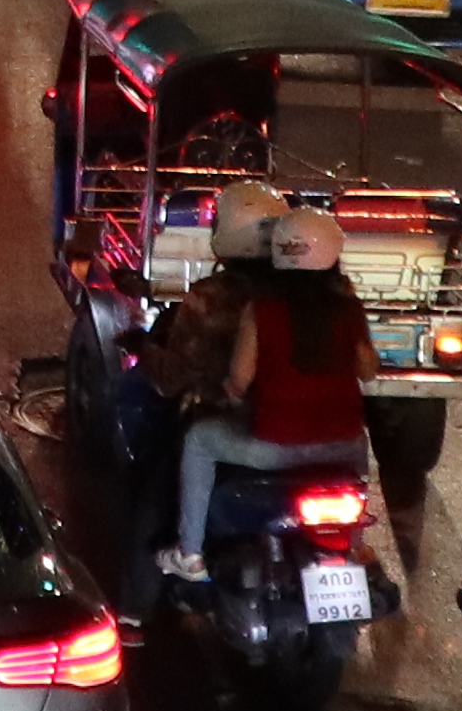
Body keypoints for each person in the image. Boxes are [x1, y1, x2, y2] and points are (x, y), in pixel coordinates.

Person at [150, 193, 378, 581]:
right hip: (342, 443)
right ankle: (353, 540)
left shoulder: (261, 311)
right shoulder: (348, 308)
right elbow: (368, 370)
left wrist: (228, 393)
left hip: (274, 448)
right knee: (358, 455)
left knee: (200, 441)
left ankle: (190, 552)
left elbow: (240, 379)